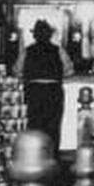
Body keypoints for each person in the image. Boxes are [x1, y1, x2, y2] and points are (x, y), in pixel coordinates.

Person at [15, 18, 73, 152]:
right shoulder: (58, 50)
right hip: (53, 91)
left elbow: (17, 71)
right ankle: (51, 155)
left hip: (33, 91)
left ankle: (35, 155)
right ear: (50, 35)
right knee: (53, 125)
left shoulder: (27, 51)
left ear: (34, 35)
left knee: (34, 124)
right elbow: (69, 70)